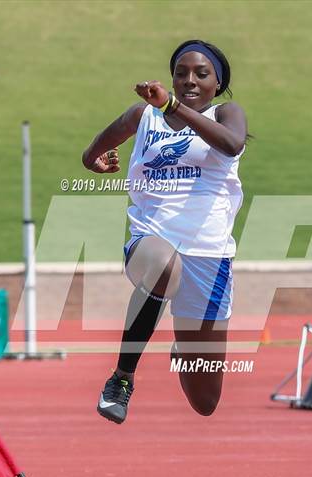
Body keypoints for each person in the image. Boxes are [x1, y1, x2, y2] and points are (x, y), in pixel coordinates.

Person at [82, 40, 247, 424]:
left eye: (201, 74)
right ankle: (121, 378)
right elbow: (93, 150)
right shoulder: (144, 117)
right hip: (151, 242)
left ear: (217, 84)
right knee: (164, 265)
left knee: (205, 402)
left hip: (209, 258)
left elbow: (232, 144)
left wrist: (174, 107)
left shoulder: (227, 113)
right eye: (181, 73)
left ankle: (181, 347)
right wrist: (93, 160)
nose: (189, 80)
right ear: (172, 77)